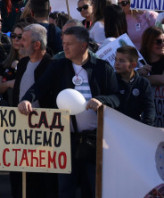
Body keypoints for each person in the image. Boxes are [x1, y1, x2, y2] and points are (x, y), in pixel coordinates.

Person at [18, 26, 120, 198]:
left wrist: (102, 101)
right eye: (63, 43)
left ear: (83, 45)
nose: (64, 48)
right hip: (65, 139)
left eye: (69, 44)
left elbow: (116, 97)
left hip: (94, 140)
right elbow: (39, 87)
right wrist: (26, 99)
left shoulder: (102, 68)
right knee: (65, 188)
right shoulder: (58, 67)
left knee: (93, 188)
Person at [7, 23, 56, 198]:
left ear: (36, 45)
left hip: (42, 134)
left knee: (41, 182)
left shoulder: (52, 65)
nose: (19, 43)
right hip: (20, 131)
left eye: (24, 40)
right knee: (20, 179)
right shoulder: (23, 63)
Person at [114, 45, 154, 125]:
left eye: (121, 61)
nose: (117, 63)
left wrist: (146, 126)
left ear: (133, 65)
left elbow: (149, 108)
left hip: (135, 127)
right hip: (115, 126)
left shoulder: (143, 83)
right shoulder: (111, 80)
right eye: (116, 60)